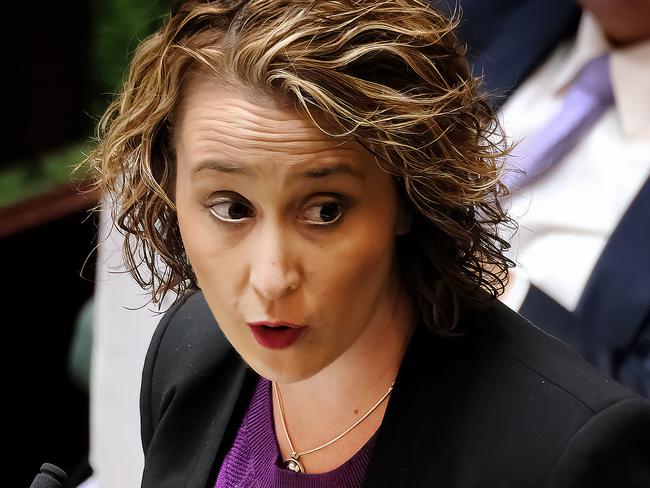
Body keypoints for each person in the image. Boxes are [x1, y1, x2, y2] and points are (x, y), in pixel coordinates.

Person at [89, 0, 650, 486]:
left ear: (409, 195)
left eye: (325, 211)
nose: (270, 276)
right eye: (232, 208)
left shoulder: (563, 455)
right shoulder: (188, 352)